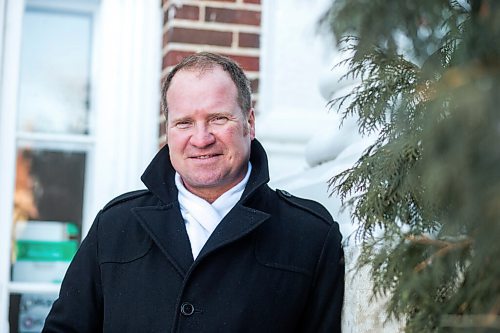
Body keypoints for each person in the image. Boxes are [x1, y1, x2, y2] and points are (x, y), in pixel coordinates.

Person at [42, 52, 344, 332]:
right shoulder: (114, 227)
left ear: (249, 124)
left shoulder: (311, 236)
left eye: (218, 119)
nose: (201, 139)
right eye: (184, 123)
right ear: (168, 131)